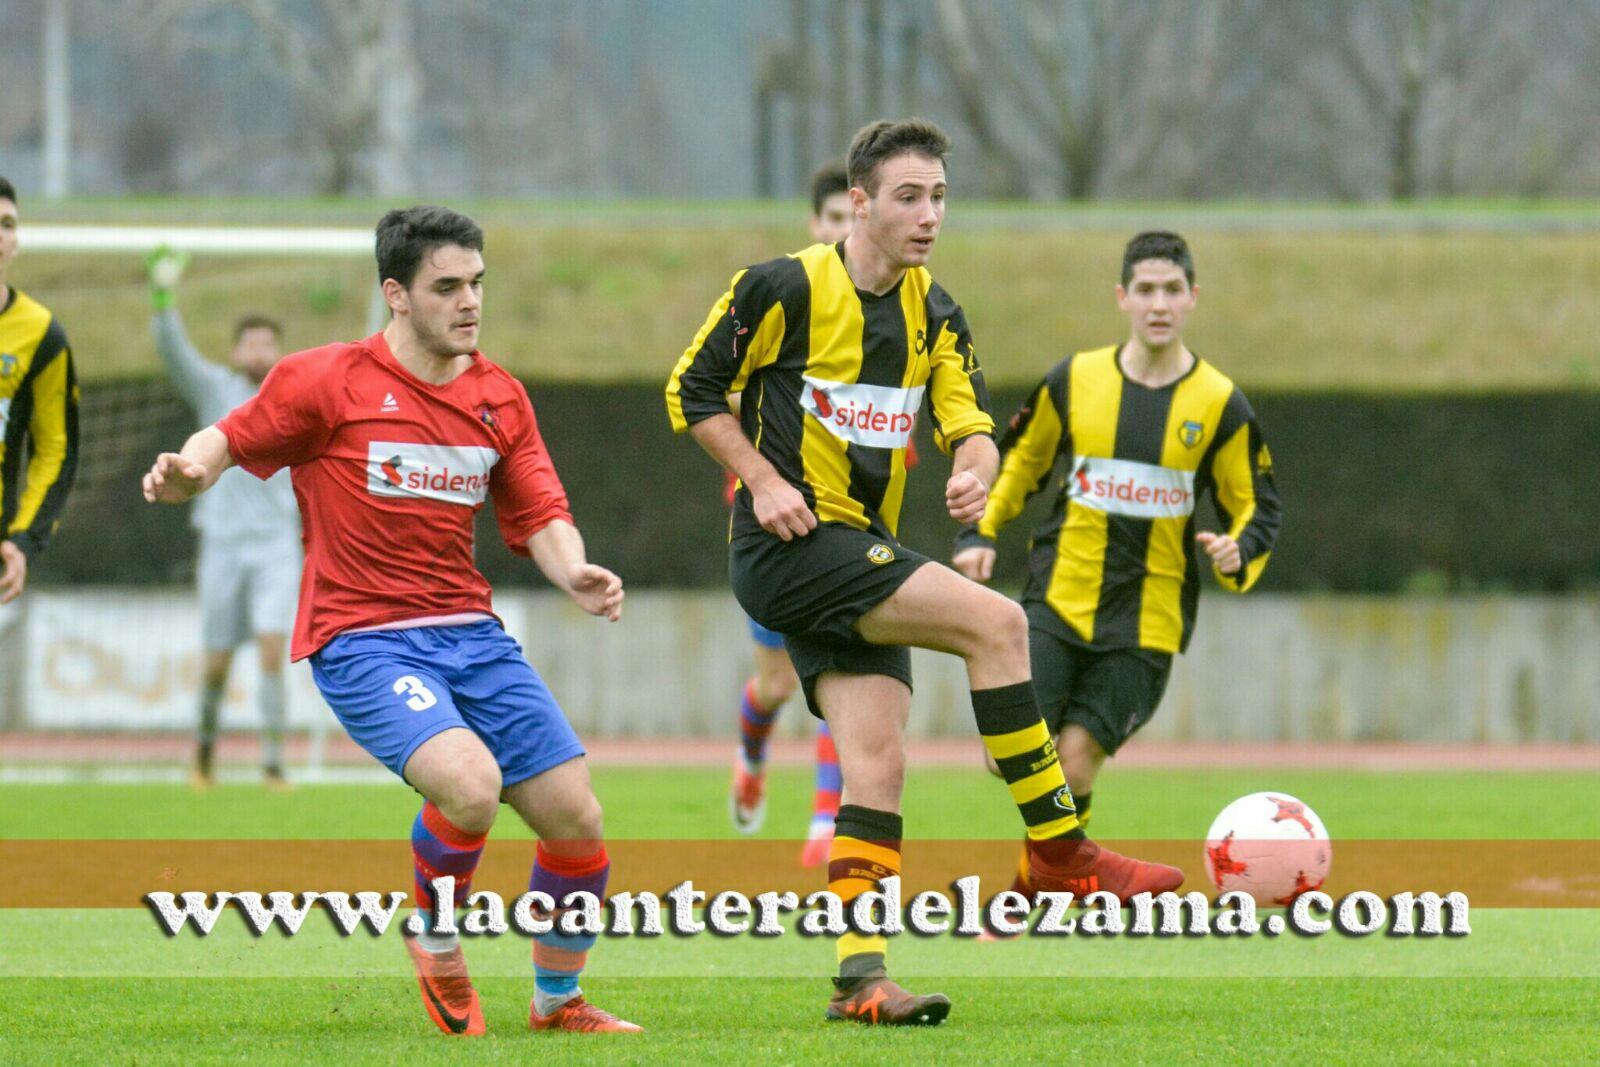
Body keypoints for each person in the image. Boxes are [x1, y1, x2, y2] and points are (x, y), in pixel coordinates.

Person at [668, 119, 1183, 1026]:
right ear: (858, 204)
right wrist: (760, 478)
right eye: (910, 196)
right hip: (789, 549)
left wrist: (977, 466)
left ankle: (859, 980)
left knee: (877, 763)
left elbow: (969, 420)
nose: (930, 214)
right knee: (1001, 623)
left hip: (853, 551)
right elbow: (690, 391)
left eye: (940, 196)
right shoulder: (781, 286)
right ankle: (1063, 853)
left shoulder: (934, 310)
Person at [142, 205, 639, 1036]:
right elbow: (228, 436)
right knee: (472, 786)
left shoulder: (498, 396)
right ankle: (436, 934)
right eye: (447, 286)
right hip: (362, 637)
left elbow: (542, 511)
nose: (470, 302)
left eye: (477, 283)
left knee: (577, 819)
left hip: (470, 636)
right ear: (396, 295)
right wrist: (193, 469)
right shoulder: (325, 380)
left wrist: (573, 569)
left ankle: (558, 1001)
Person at [954, 231, 1282, 912]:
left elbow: (1257, 503)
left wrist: (1236, 550)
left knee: (1072, 763)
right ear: (1122, 297)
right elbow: (1020, 462)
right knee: (1004, 755)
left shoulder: (1221, 403)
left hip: (1148, 619)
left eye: (1172, 290)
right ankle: (1052, 879)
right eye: (1146, 289)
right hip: (1057, 596)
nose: (1158, 303)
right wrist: (982, 531)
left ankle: (1028, 893)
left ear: (1193, 298)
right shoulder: (1074, 380)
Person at [728, 161, 852, 870]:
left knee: (836, 671)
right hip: (772, 527)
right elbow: (716, 400)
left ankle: (827, 817)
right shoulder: (779, 301)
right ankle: (751, 754)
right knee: (776, 684)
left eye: (851, 218)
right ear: (816, 224)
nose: (843, 230)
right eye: (831, 218)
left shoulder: (890, 313)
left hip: (849, 530)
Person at [147, 247, 300, 788]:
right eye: (251, 343)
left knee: (269, 653)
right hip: (222, 543)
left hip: (278, 547)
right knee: (215, 663)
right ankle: (204, 758)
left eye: (268, 345)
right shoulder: (216, 390)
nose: (259, 352)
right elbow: (174, 352)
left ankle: (274, 765)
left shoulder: (296, 397)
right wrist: (163, 298)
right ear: (236, 351)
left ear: (280, 354)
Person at [0, 176, 79, 606]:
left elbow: (55, 448)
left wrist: (23, 537)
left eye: (8, 224)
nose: (0, 234)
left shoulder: (41, 334)